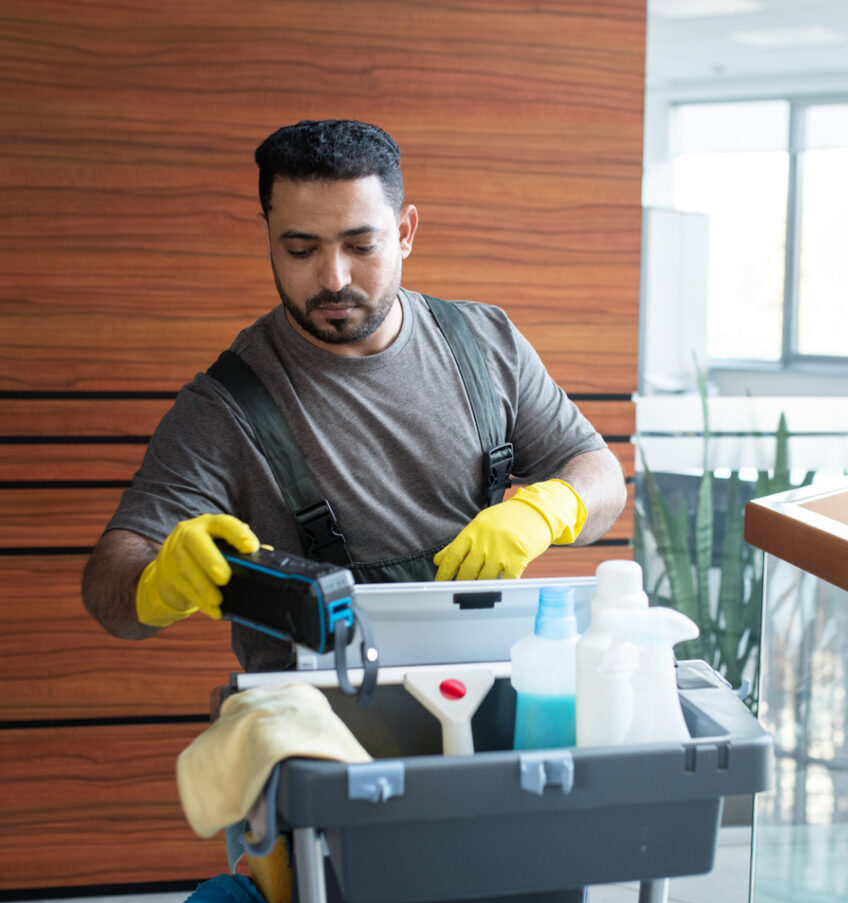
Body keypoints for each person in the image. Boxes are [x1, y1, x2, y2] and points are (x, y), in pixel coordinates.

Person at [81, 118, 626, 673]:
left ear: (406, 231)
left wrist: (546, 509)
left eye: (361, 245)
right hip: (318, 719)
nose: (334, 278)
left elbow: (601, 475)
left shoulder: (486, 342)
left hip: (488, 682)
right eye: (300, 250)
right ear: (268, 235)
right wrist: (159, 584)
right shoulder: (225, 406)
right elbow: (111, 590)